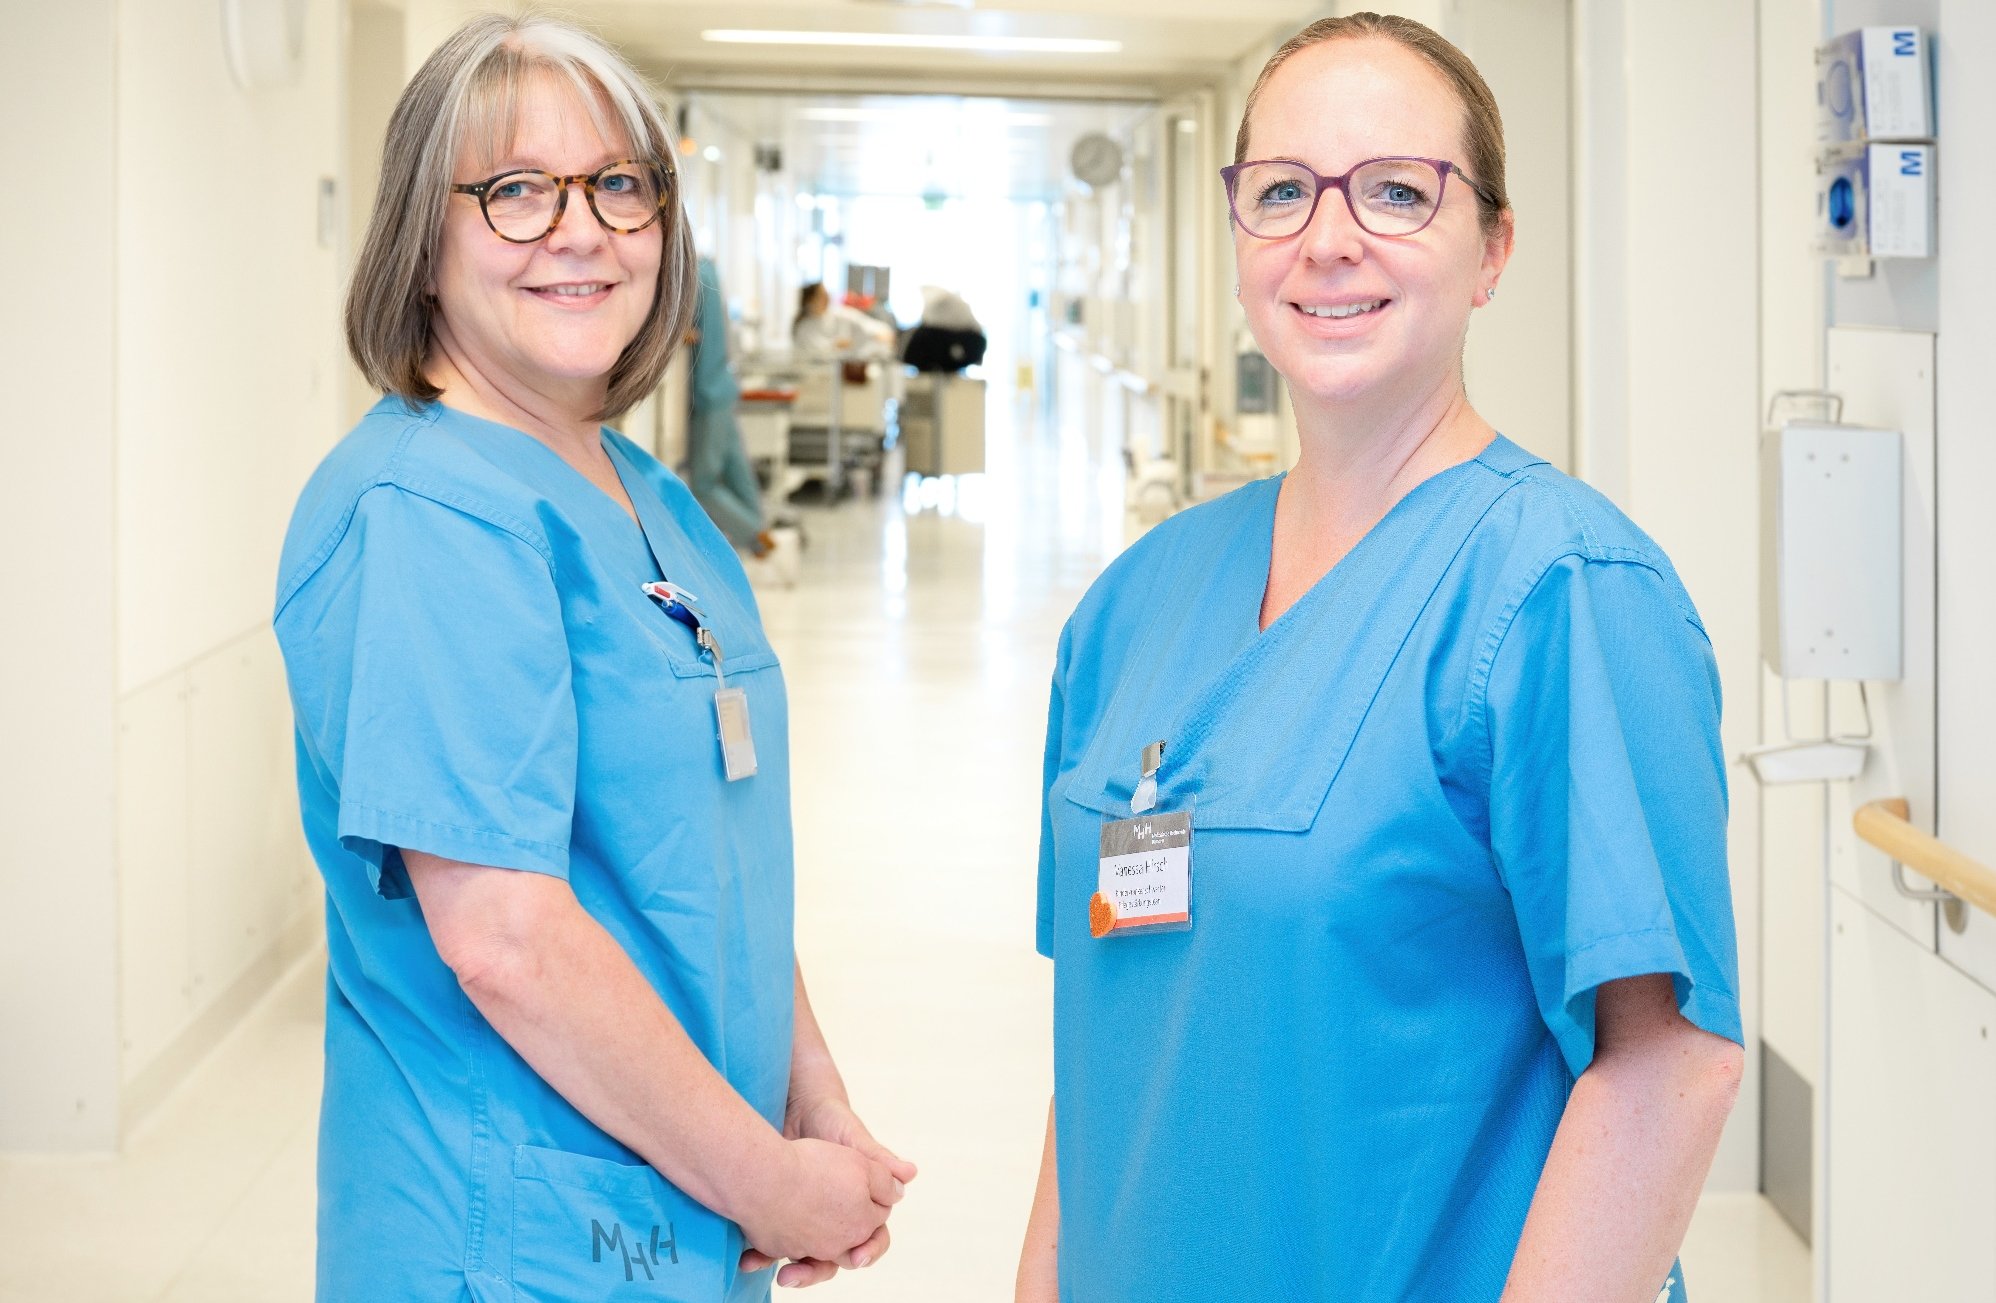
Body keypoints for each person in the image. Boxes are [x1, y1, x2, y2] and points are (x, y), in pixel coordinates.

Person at [1018, 13, 1742, 1303]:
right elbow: (1110, 1047)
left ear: (1491, 251)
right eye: (1283, 191)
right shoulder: (1135, 604)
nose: (1329, 237)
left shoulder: (1561, 592)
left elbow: (1668, 1064)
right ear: (1239, 235)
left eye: (1397, 191)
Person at [273, 16, 912, 1301]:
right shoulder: (429, 513)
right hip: (512, 1238)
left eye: (621, 185)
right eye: (516, 191)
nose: (583, 229)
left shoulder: (639, 493)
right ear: (422, 235)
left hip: (669, 1202)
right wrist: (768, 1183)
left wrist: (809, 1095)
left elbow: (709, 853)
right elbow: (504, 938)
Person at [686, 256, 780, 558]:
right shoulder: (708, 271)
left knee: (703, 483)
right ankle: (760, 530)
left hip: (709, 393)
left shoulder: (693, 277)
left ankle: (755, 535)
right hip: (721, 386)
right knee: (736, 467)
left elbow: (684, 328)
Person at [792, 281, 893, 360]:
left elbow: (865, 324)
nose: (827, 297)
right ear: (810, 301)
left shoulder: (837, 314)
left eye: (826, 294)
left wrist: (880, 332)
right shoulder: (804, 327)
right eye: (821, 296)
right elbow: (812, 352)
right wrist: (835, 345)